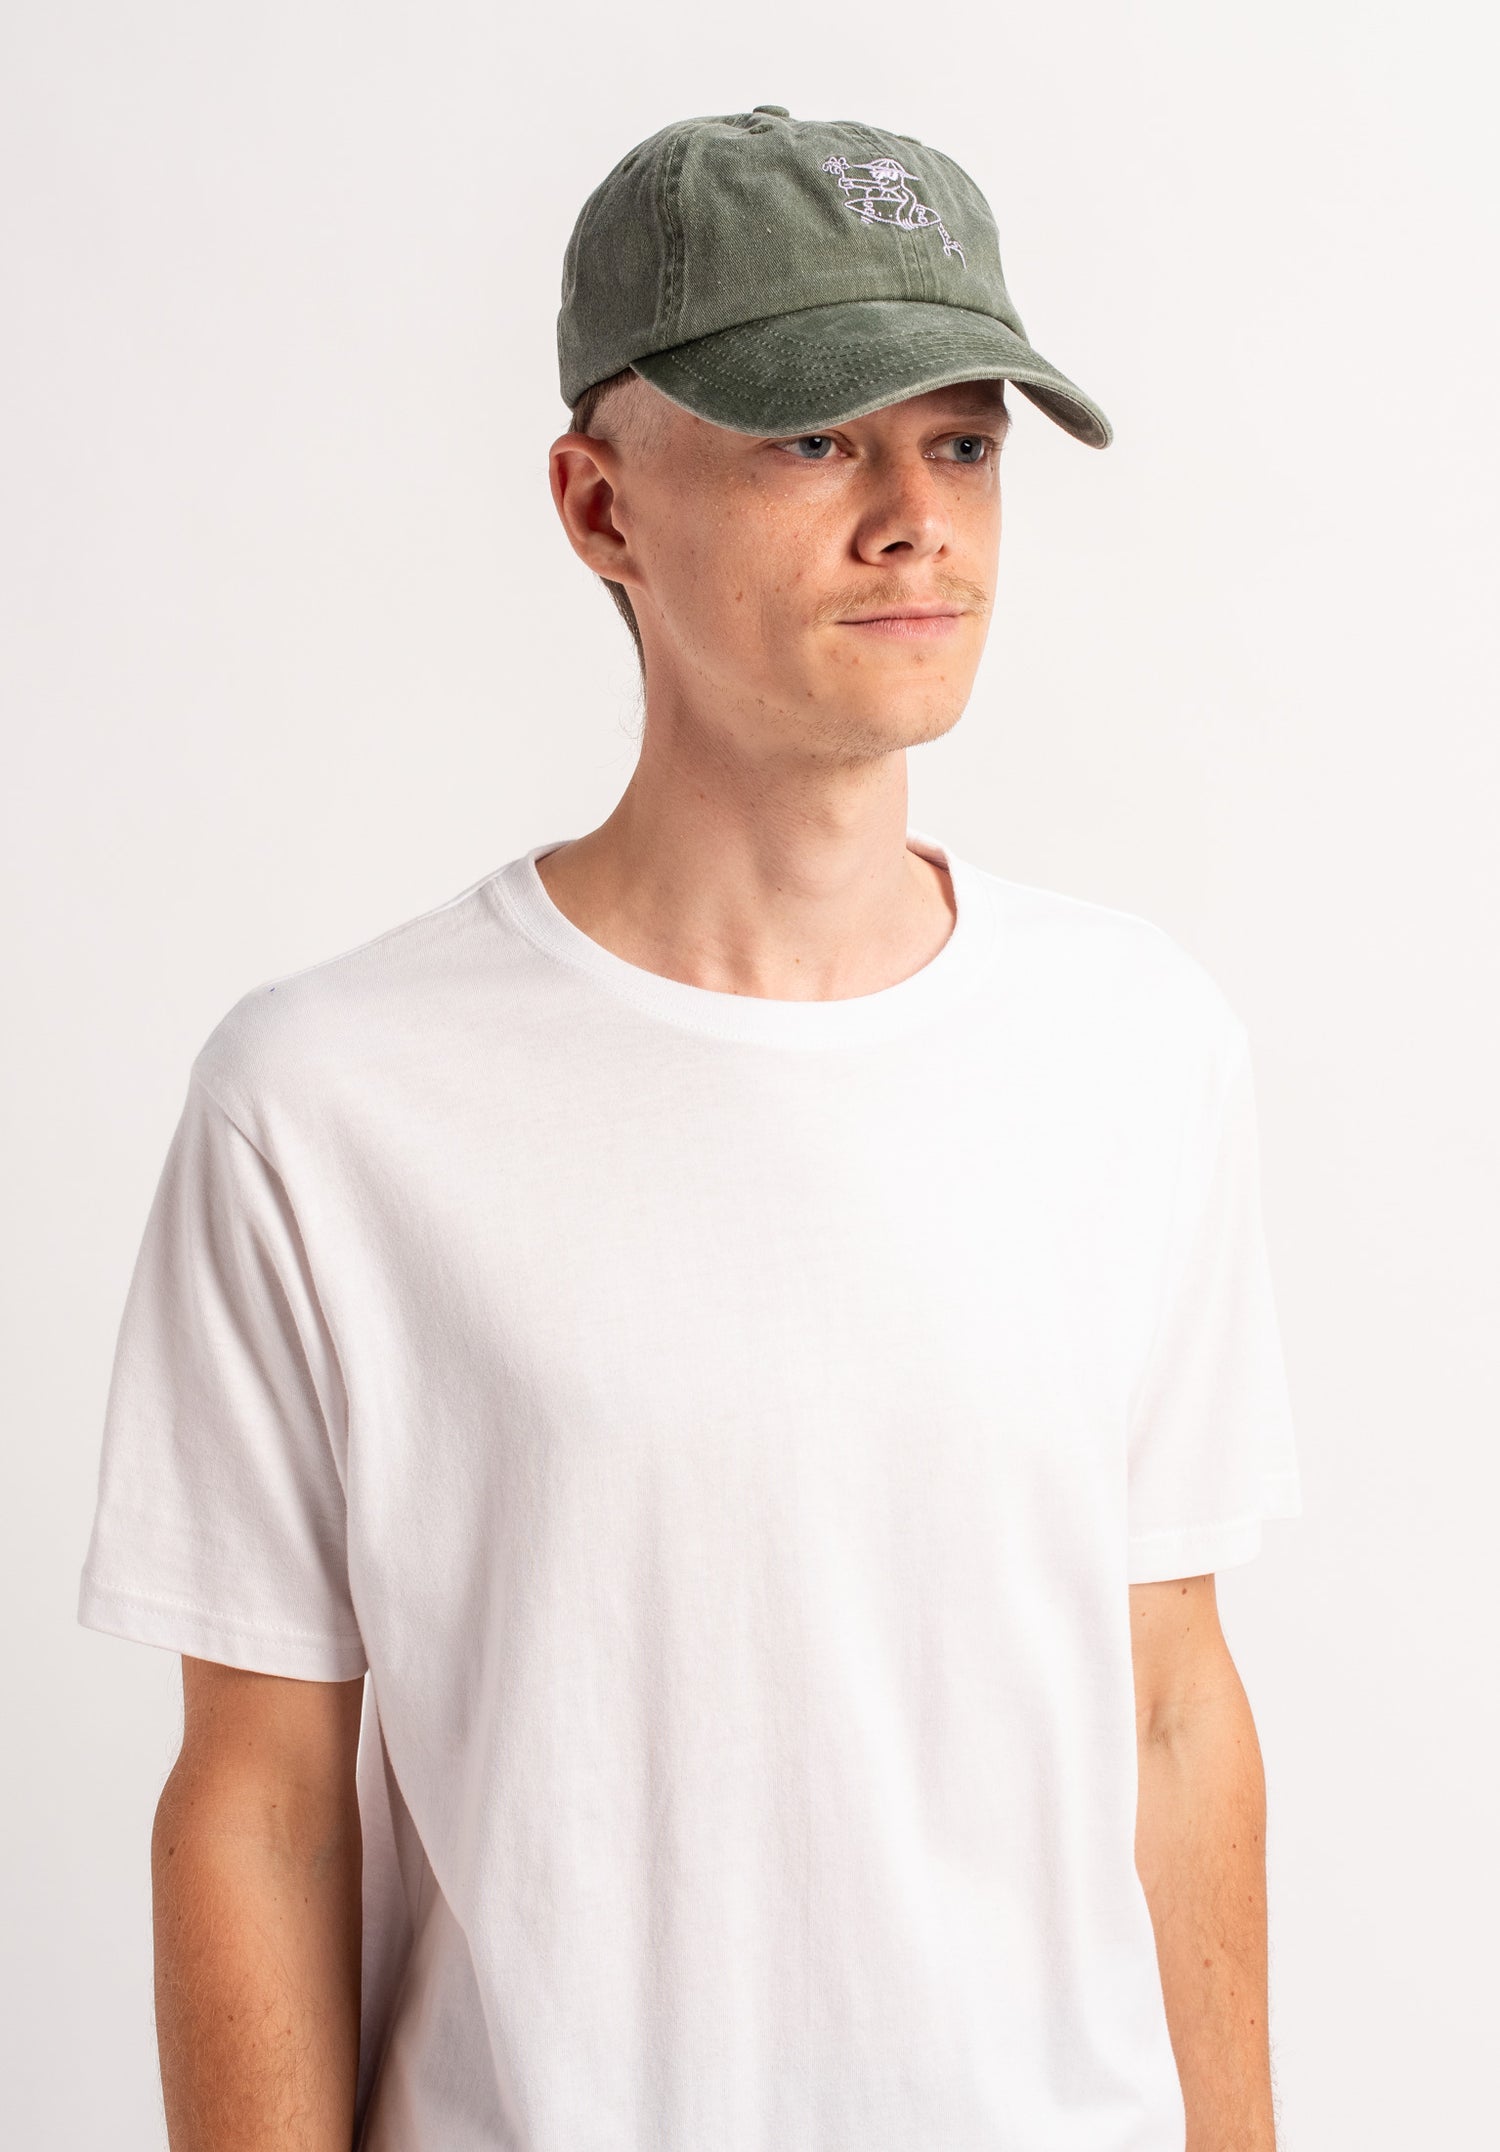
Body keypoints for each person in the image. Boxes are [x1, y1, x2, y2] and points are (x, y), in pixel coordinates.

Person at [77, 104, 1304, 2152]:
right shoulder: (328, 1101)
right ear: (599, 504)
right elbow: (260, 1797)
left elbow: (1173, 1704)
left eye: (964, 443)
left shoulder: (1139, 1046)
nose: (915, 519)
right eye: (815, 437)